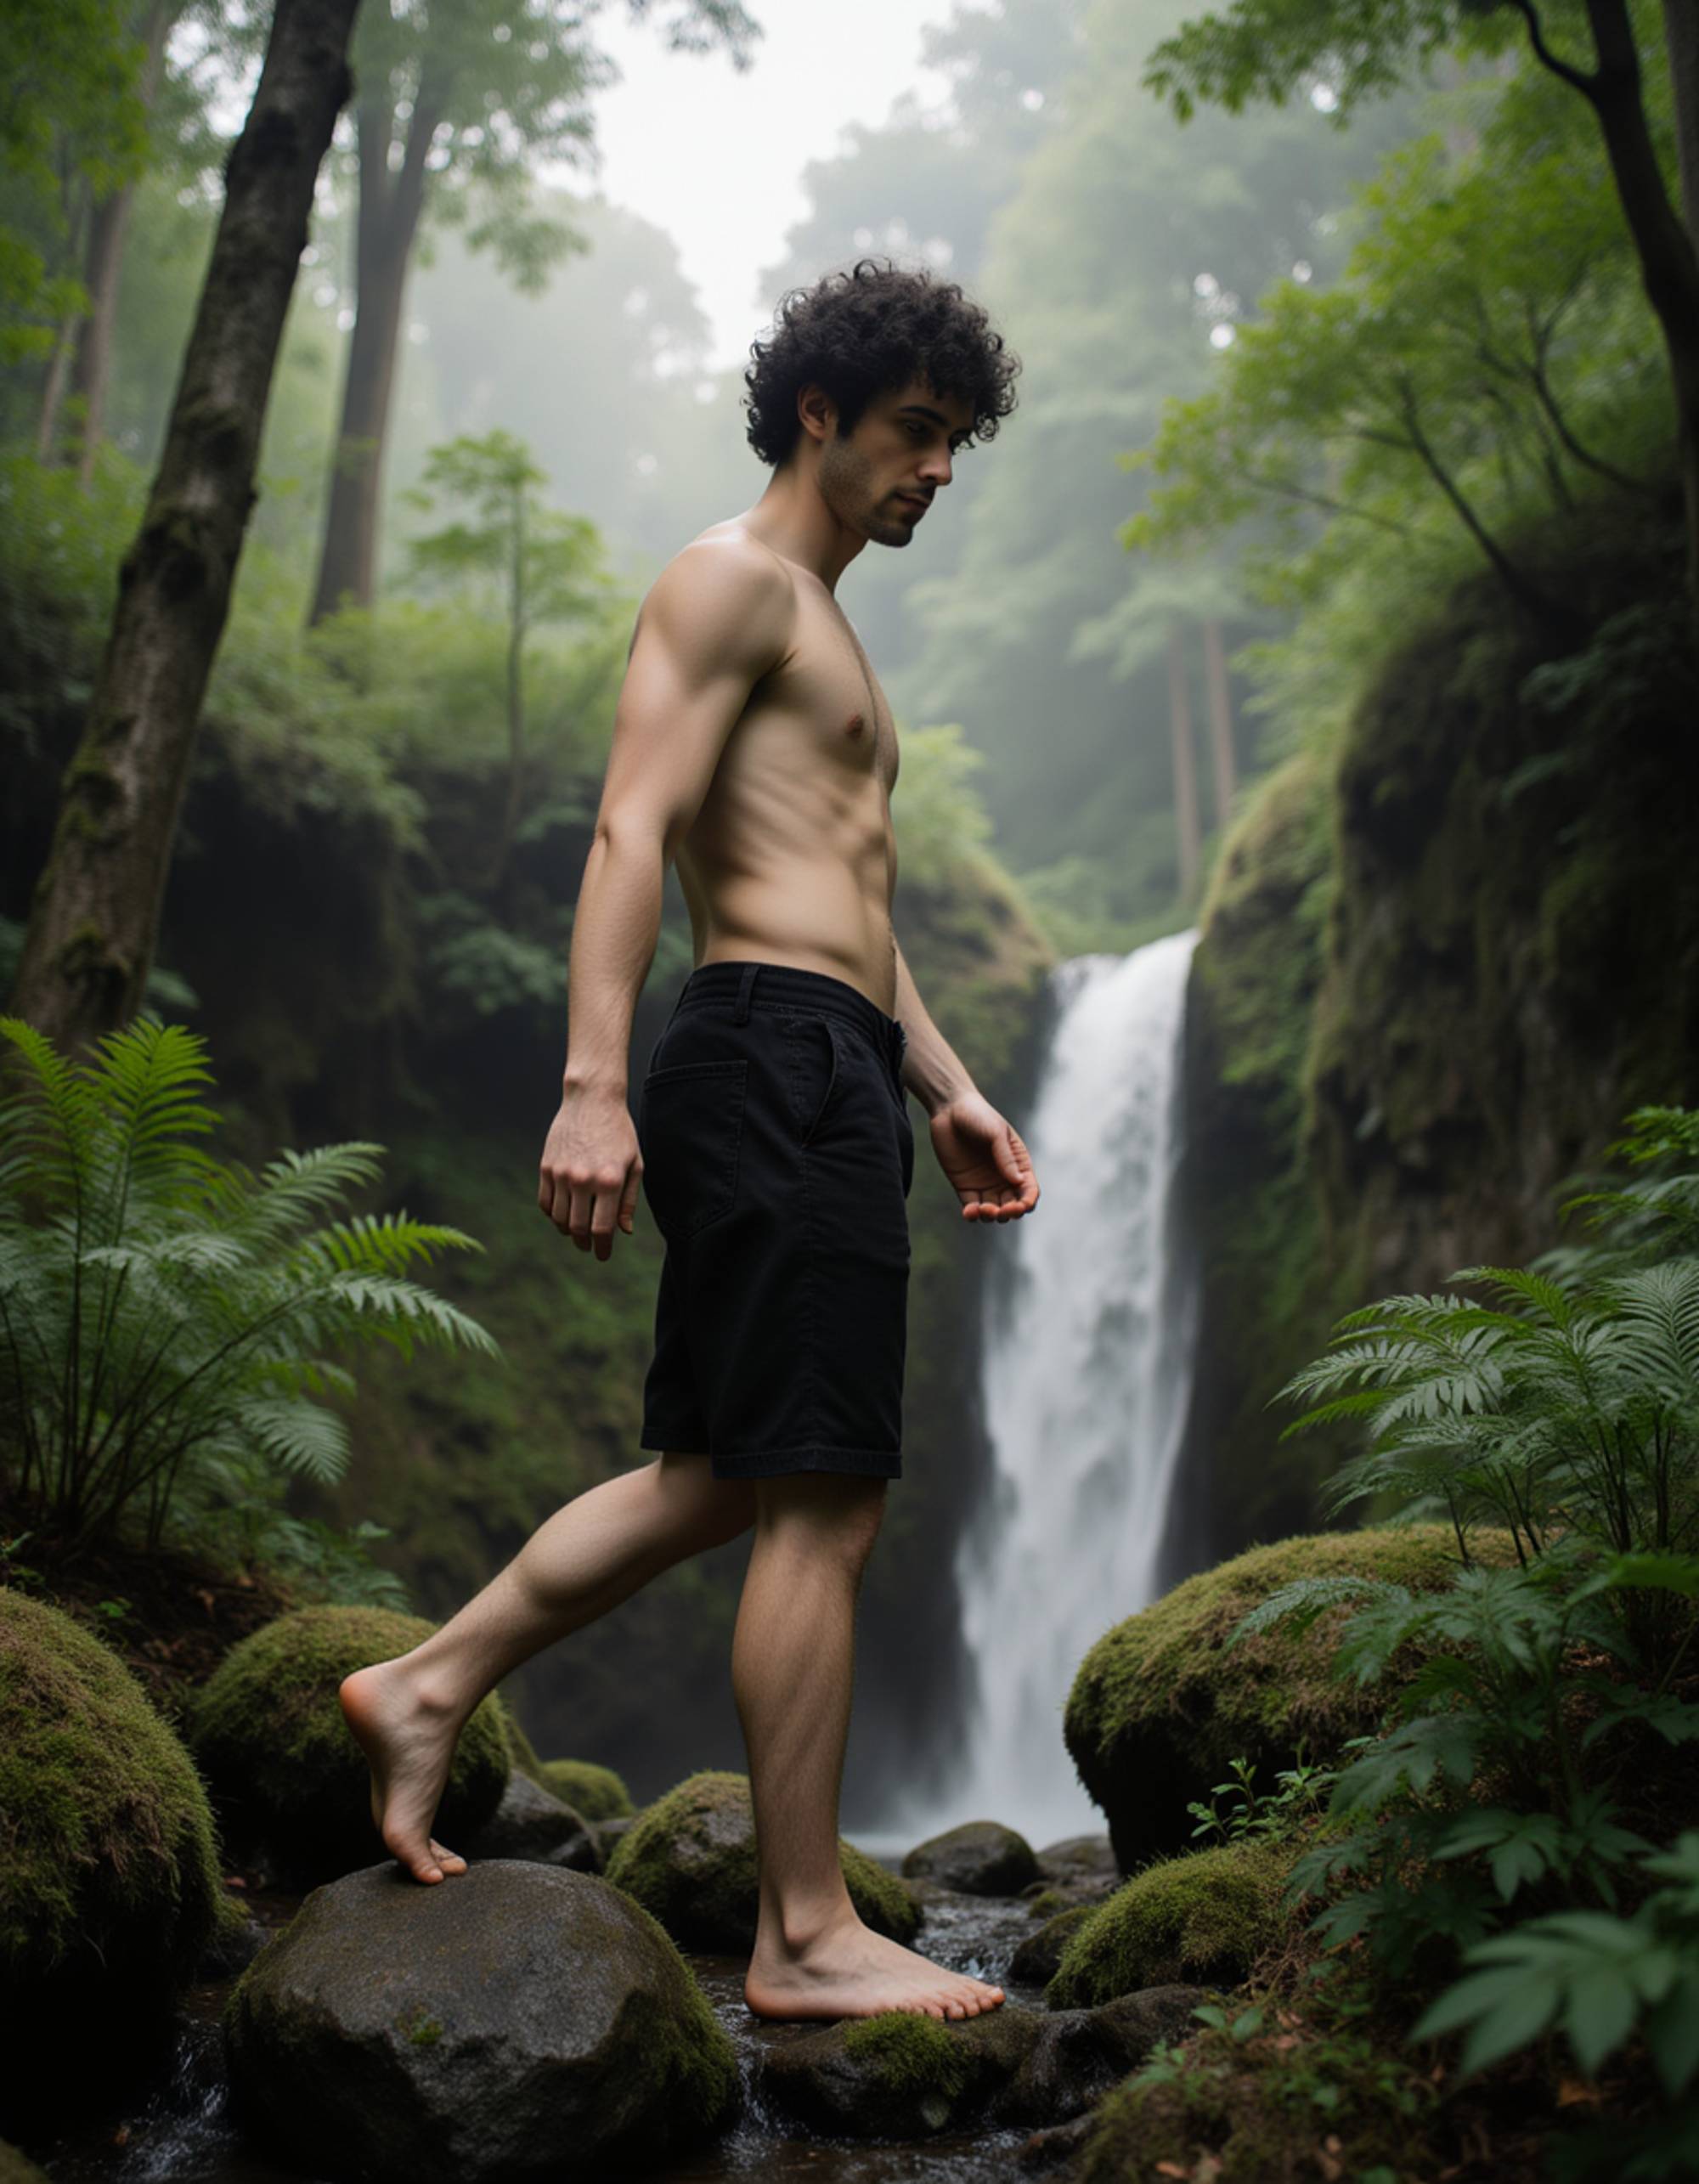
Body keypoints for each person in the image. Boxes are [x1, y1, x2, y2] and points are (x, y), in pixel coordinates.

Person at [341, 258, 1039, 2023]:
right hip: (765, 1054)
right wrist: (594, 1078)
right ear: (818, 410)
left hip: (828, 1052)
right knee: (823, 1494)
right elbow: (628, 827)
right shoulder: (731, 584)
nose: (935, 471)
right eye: (912, 431)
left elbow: (849, 906)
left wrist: (939, 1080)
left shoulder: (822, 619)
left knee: (727, 1472)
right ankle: (802, 1934)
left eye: (954, 442)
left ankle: (427, 1684)